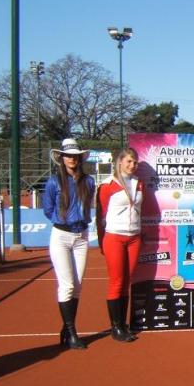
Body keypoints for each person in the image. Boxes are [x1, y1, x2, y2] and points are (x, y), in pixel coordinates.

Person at [43, 138, 96, 350]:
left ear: (80, 158)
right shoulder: (53, 182)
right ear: (62, 158)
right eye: (68, 155)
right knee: (67, 285)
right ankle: (72, 332)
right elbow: (48, 209)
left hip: (81, 236)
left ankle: (66, 329)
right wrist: (62, 219)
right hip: (61, 236)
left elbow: (88, 204)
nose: (72, 159)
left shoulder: (88, 181)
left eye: (75, 156)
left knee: (77, 286)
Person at [96, 147, 144, 342]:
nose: (132, 165)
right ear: (120, 162)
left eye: (135, 162)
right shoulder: (108, 184)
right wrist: (101, 240)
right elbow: (100, 214)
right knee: (116, 281)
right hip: (115, 236)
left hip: (134, 237)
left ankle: (123, 324)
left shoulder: (139, 183)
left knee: (127, 280)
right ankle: (115, 327)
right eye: (129, 161)